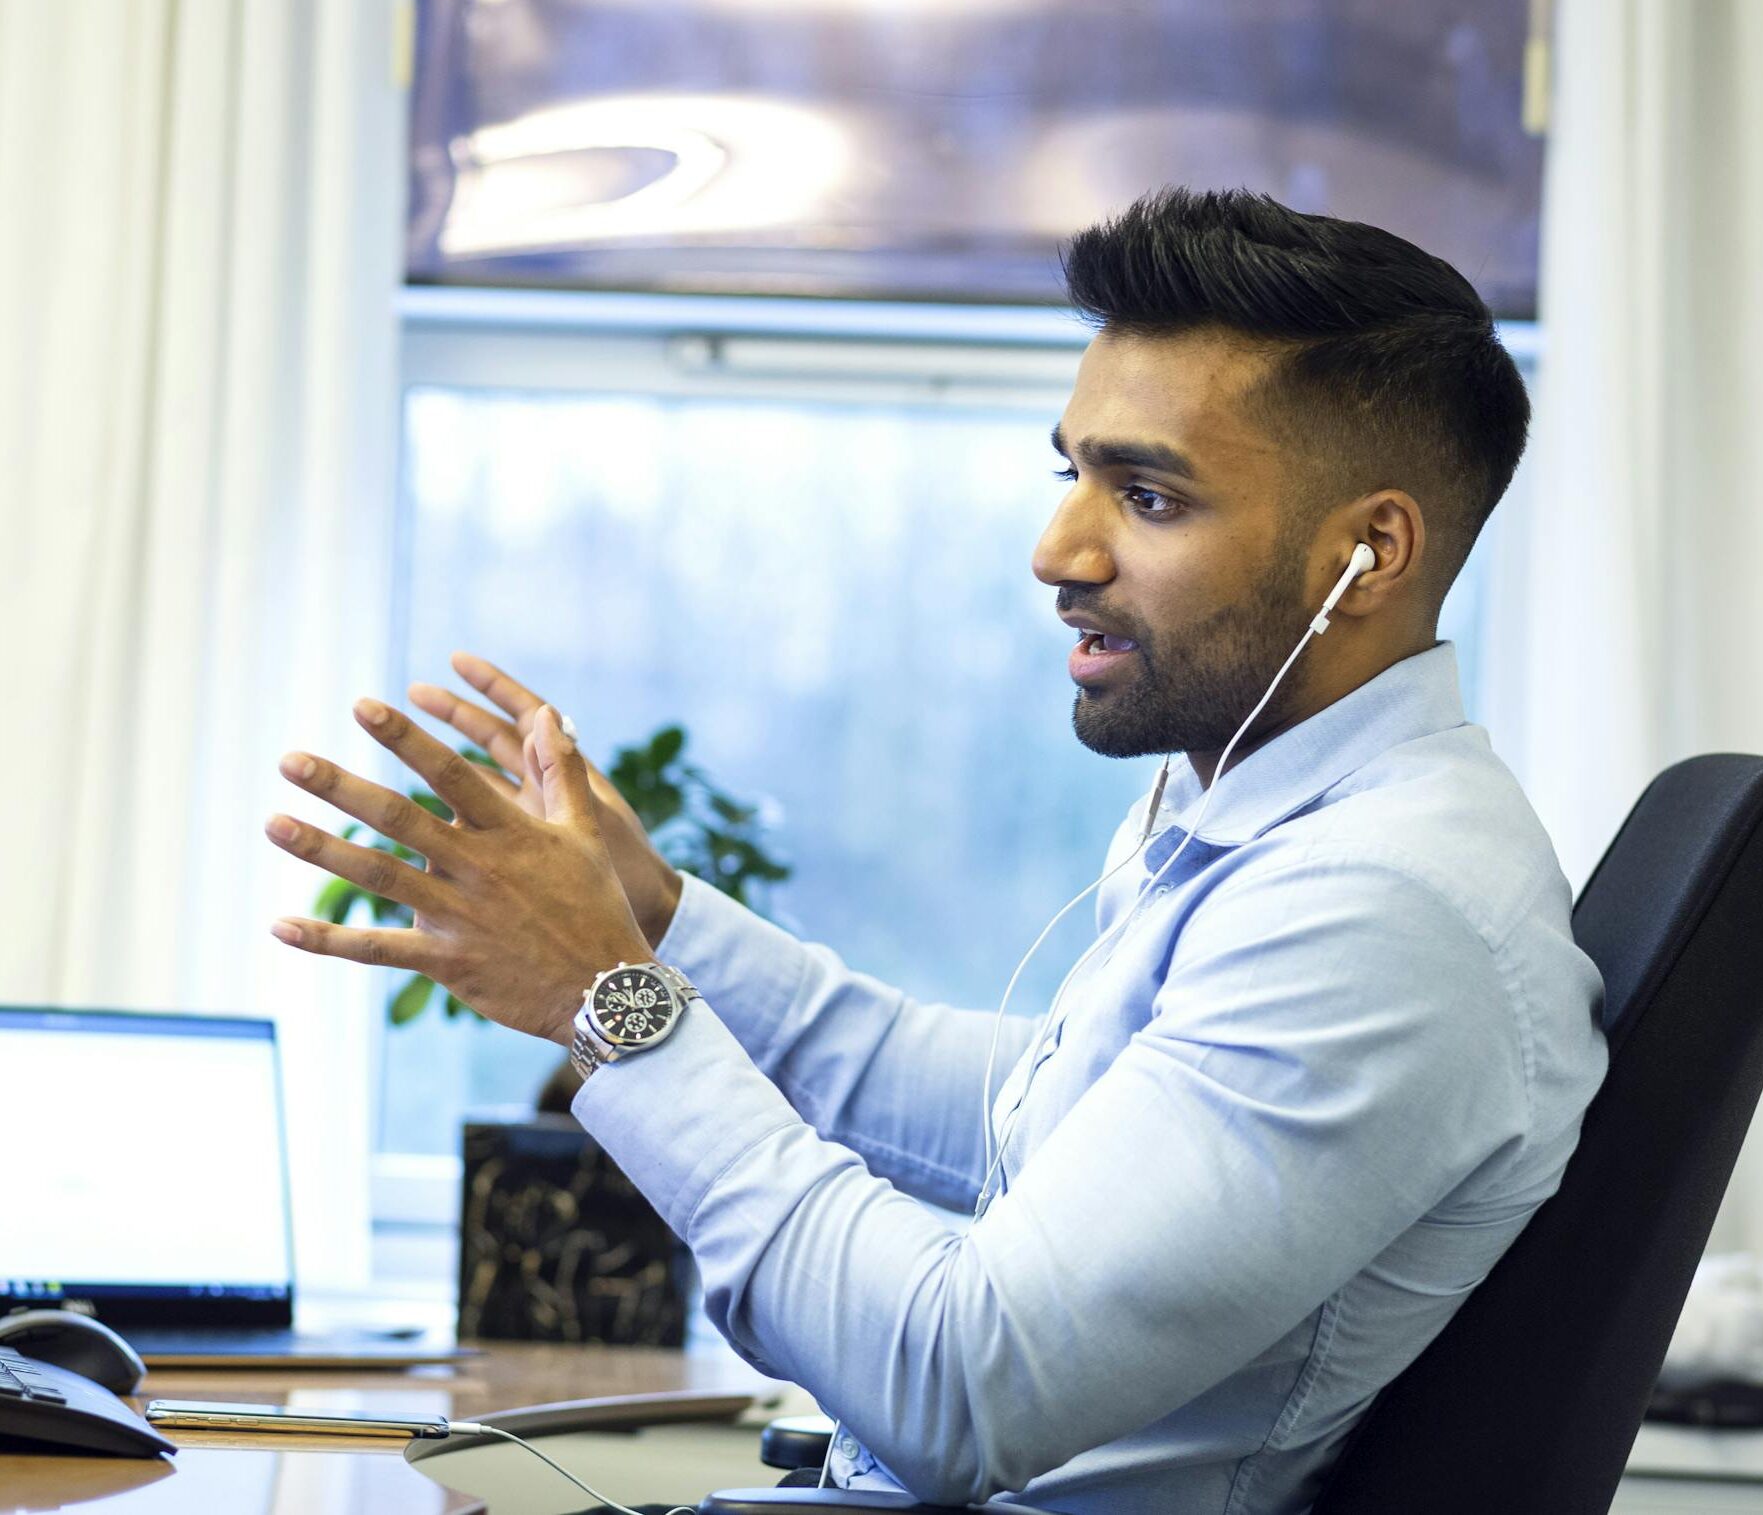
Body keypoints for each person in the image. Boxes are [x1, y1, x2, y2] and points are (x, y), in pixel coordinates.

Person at [264, 188, 1608, 1514]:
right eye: (1070, 473)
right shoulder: (1280, 817)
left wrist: (605, 1001)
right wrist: (663, 925)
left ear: (1366, 554)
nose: (1054, 552)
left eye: (1146, 498)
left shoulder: (1379, 915)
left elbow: (958, 1390)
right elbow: (1021, 1118)